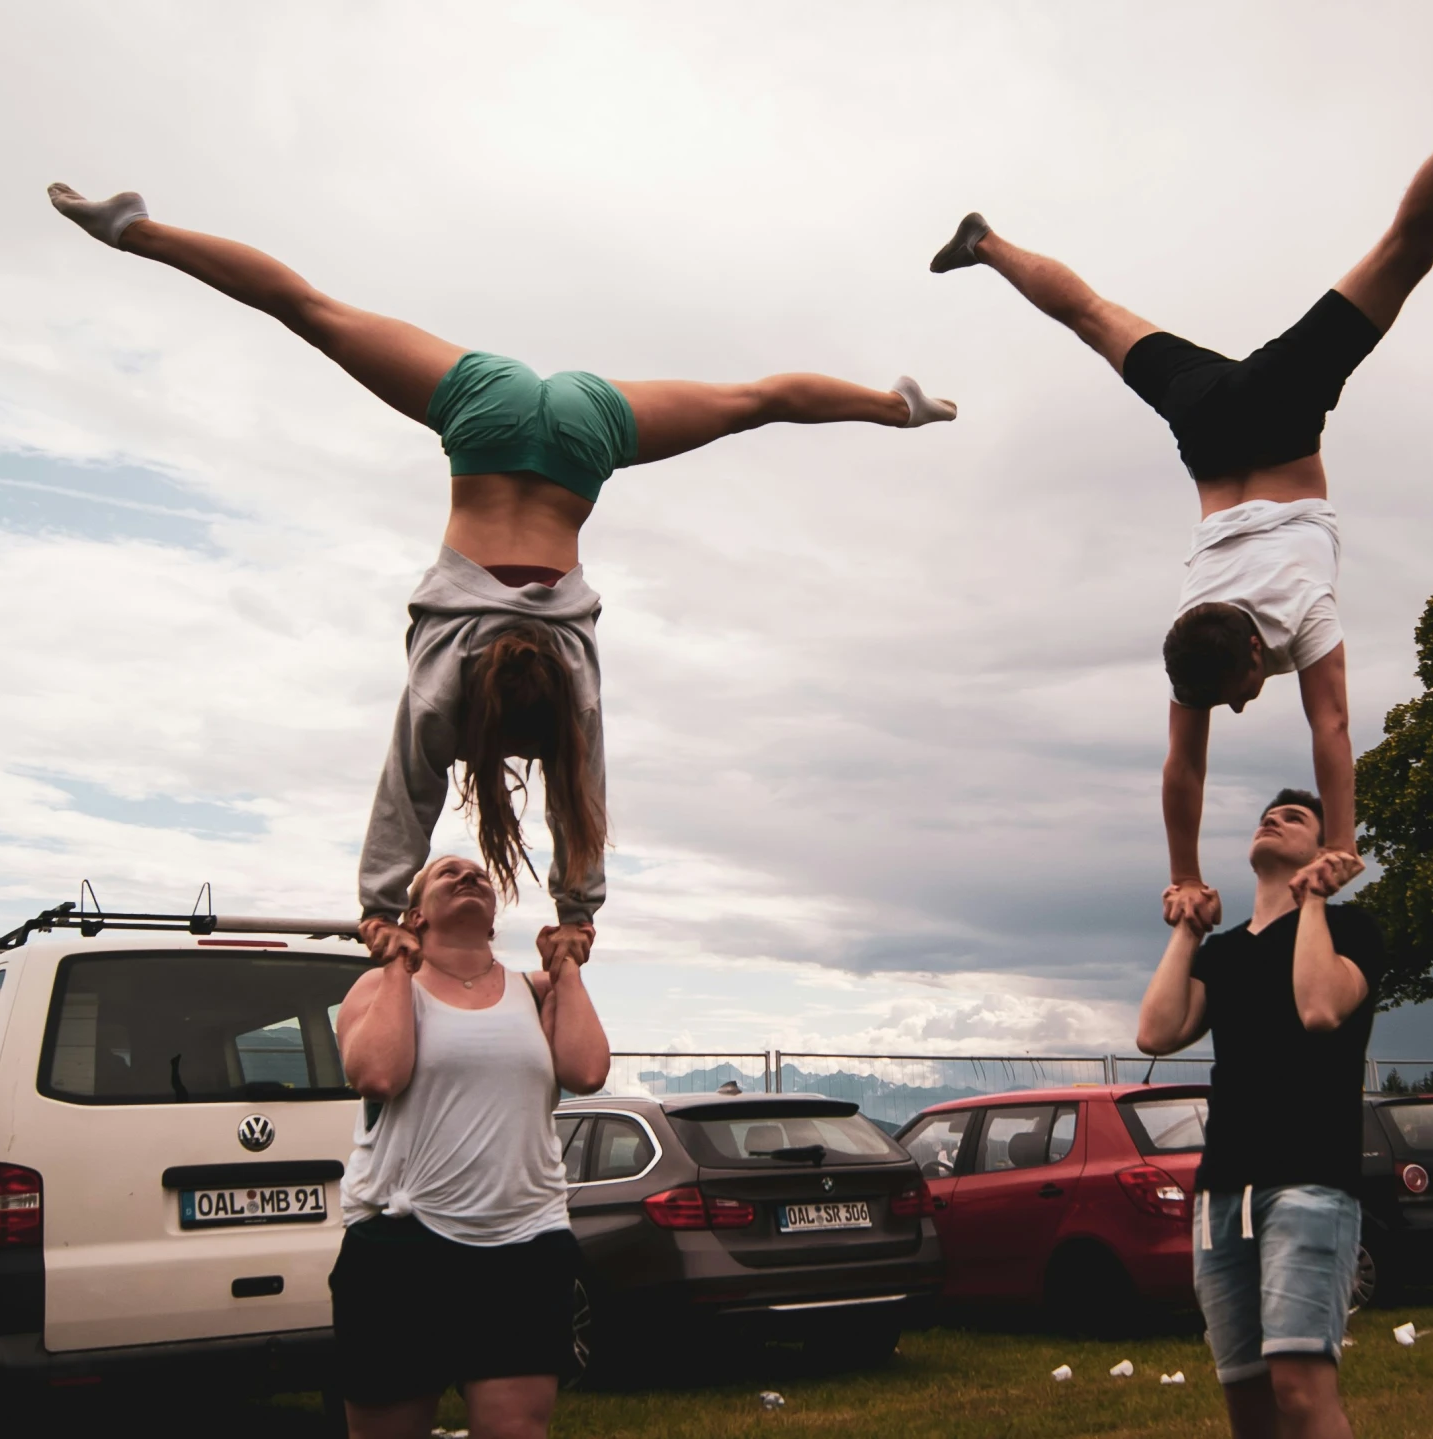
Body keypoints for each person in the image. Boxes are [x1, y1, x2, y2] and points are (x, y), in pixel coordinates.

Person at [48, 184, 959, 968]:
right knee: (310, 312)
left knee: (748, 404)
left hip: (583, 435)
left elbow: (582, 794)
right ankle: (137, 230)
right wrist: (378, 902)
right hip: (483, 418)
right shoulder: (448, 690)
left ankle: (896, 408)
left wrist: (579, 913)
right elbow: (408, 786)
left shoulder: (570, 682)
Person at [929, 28, 1433, 930]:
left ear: (1250, 656)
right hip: (1208, 424)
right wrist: (1180, 869)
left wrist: (1341, 842)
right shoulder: (1190, 634)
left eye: (1237, 694)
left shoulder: (1297, 614)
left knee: (1408, 246)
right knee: (1093, 316)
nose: (1242, 700)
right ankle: (984, 241)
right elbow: (1184, 767)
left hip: (1277, 416)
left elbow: (1328, 731)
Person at [329, 853, 611, 1439]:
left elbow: (586, 1072)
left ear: (492, 921)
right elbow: (379, 1076)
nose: (468, 876)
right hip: (402, 1242)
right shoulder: (379, 987)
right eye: (446, 873)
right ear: (415, 914)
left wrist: (567, 969)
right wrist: (398, 968)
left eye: (480, 873)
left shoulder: (533, 992)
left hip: (524, 1242)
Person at [1136, 789, 1385, 1439]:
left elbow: (1318, 1007)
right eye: (1265, 815)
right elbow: (1155, 1032)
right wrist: (1190, 930)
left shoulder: (1353, 930)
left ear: (1325, 848)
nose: (1271, 819)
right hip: (1220, 1194)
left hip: (1309, 1182)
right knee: (1247, 1405)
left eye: (1294, 817)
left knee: (1298, 1390)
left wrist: (1313, 901)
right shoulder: (1222, 954)